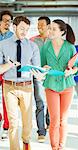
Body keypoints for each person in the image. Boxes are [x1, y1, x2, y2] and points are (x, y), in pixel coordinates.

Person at [33, 19, 78, 150]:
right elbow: (41, 66)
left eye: (54, 29)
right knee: (54, 120)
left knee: (63, 120)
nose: (50, 31)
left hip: (67, 86)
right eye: (50, 28)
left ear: (62, 32)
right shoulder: (45, 47)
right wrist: (44, 68)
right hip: (51, 86)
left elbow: (76, 68)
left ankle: (61, 146)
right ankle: (54, 147)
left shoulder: (70, 47)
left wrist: (70, 71)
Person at [0, 15, 40, 150]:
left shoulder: (33, 46)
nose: (24, 32)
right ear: (14, 27)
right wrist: (10, 64)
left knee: (27, 123)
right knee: (13, 123)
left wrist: (41, 74)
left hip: (27, 87)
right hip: (9, 86)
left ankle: (26, 141)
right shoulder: (2, 45)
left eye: (27, 29)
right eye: (22, 28)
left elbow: (37, 70)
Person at [30, 16, 51, 142]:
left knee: (51, 103)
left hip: (51, 75)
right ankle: (41, 131)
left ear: (48, 26)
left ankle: (49, 121)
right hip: (38, 75)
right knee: (40, 103)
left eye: (42, 24)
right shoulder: (32, 40)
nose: (39, 26)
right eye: (38, 24)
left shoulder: (54, 40)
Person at [0, 10, 13, 139]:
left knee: (6, 100)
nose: (7, 23)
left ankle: (6, 127)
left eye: (9, 21)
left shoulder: (12, 37)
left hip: (7, 70)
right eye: (5, 20)